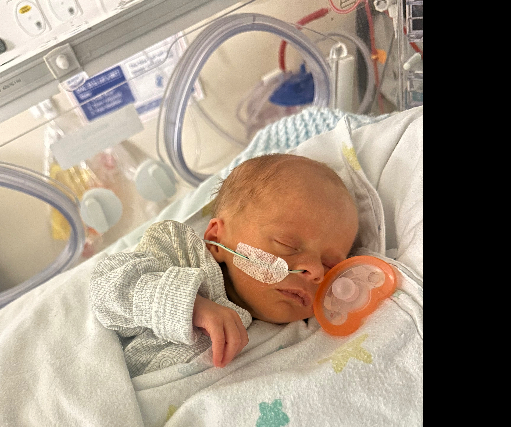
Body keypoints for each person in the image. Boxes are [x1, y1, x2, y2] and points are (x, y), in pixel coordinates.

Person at [89, 153, 359, 377]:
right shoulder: (177, 251)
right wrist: (191, 305)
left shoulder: (303, 336)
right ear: (216, 240)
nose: (316, 272)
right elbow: (106, 288)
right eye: (287, 244)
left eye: (330, 264)